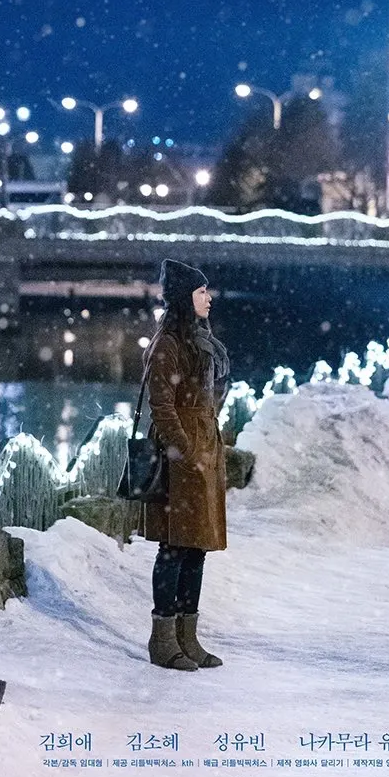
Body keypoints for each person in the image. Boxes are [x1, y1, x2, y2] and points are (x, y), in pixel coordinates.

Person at [142, 258, 231, 671]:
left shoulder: (199, 339)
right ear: (183, 298)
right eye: (200, 292)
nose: (208, 298)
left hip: (204, 449)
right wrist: (188, 451)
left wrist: (209, 446)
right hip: (181, 457)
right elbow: (162, 407)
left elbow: (209, 393)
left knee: (197, 548)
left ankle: (187, 637)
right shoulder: (168, 344)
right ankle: (163, 640)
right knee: (175, 546)